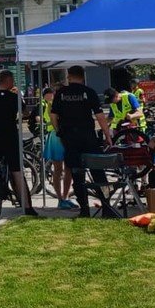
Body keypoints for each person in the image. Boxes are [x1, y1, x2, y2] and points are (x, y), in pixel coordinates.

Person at [51, 65, 114, 218]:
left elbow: (53, 116)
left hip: (70, 138)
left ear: (69, 77)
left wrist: (59, 131)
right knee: (98, 172)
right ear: (83, 76)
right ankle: (106, 206)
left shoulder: (61, 93)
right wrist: (107, 135)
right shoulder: (89, 92)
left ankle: (84, 208)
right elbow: (99, 116)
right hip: (88, 137)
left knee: (76, 173)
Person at [0, 70, 39, 218]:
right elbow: (24, 114)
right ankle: (28, 207)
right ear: (10, 81)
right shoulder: (14, 97)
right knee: (17, 171)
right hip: (10, 137)